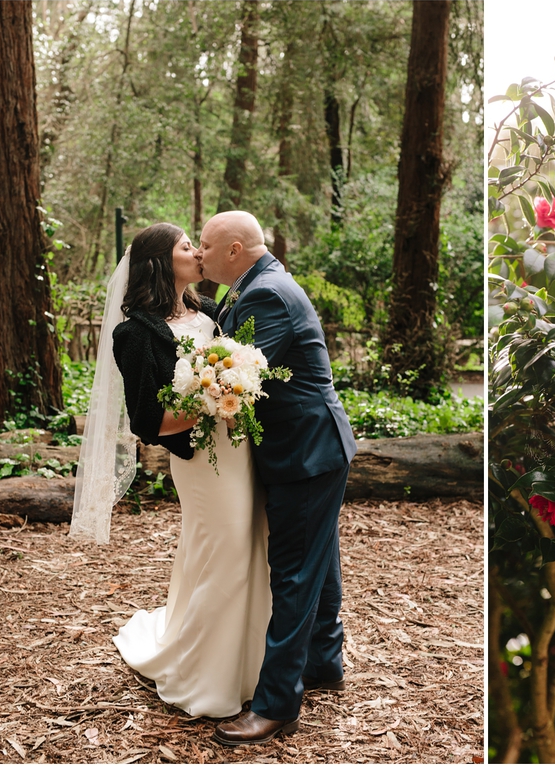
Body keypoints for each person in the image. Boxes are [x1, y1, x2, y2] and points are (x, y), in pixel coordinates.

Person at [69, 223, 271, 718]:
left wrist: (234, 384)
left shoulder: (206, 312)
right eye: (187, 246)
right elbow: (147, 422)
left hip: (238, 449)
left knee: (247, 546)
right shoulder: (134, 333)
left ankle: (252, 667)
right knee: (223, 550)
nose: (198, 252)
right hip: (201, 461)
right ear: (161, 261)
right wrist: (214, 399)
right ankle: (206, 674)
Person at [196, 211, 358, 746]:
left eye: (205, 246)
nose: (199, 254)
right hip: (314, 446)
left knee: (293, 573)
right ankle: (324, 663)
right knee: (319, 558)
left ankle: (276, 705)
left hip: (304, 453)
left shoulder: (267, 295)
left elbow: (233, 374)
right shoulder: (260, 285)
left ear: (235, 250)